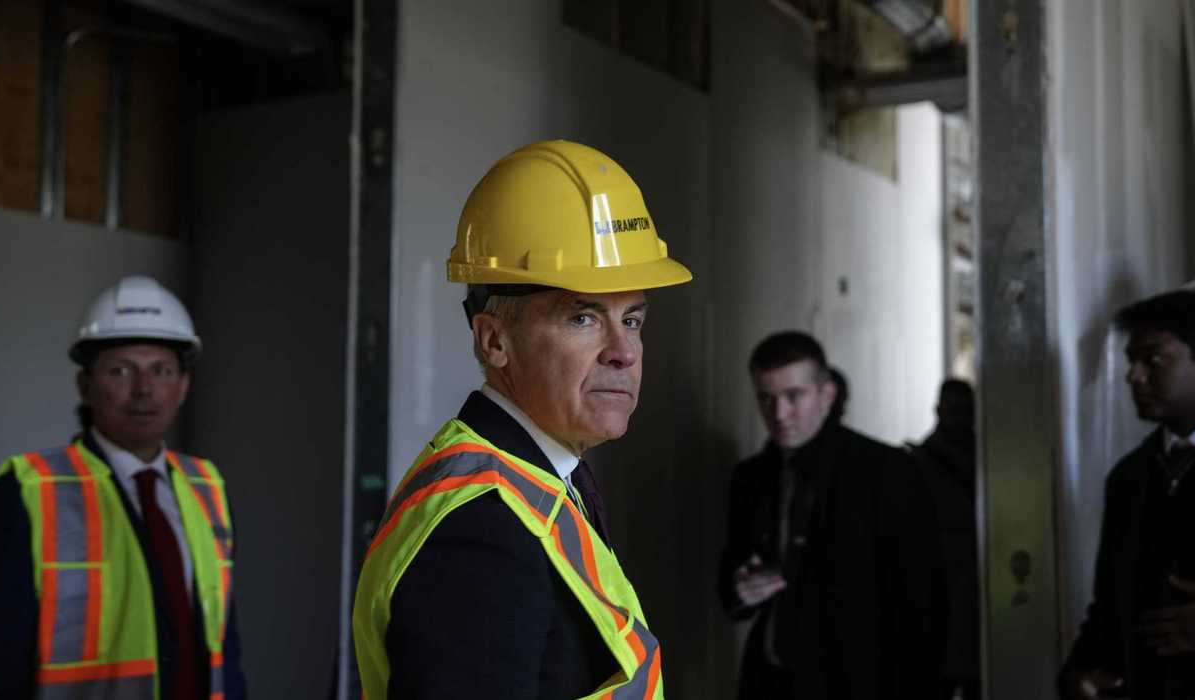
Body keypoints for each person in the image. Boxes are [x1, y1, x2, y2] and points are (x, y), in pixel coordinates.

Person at [351, 140, 692, 699]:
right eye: (583, 317)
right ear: (494, 341)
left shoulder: (548, 481)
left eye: (631, 319)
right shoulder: (479, 532)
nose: (623, 352)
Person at [0, 275, 246, 699]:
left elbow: (224, 644)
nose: (143, 389)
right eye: (121, 370)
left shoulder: (207, 487)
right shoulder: (27, 490)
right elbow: (2, 654)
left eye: (161, 370)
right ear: (86, 385)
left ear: (182, 387)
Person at [717, 330, 946, 699]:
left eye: (794, 396)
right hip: (772, 683)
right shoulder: (751, 478)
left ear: (827, 395)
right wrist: (740, 591)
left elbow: (922, 606)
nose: (779, 414)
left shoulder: (887, 472)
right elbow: (731, 580)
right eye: (766, 398)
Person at [1060, 289, 1195, 699]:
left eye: (1154, 359)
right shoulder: (1129, 477)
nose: (1133, 376)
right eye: (1131, 360)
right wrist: (1079, 677)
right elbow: (1109, 606)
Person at [909, 379, 979, 700]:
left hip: (975, 598)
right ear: (939, 410)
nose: (959, 418)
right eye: (954, 410)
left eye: (964, 411)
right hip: (939, 598)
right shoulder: (917, 464)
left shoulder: (986, 458)